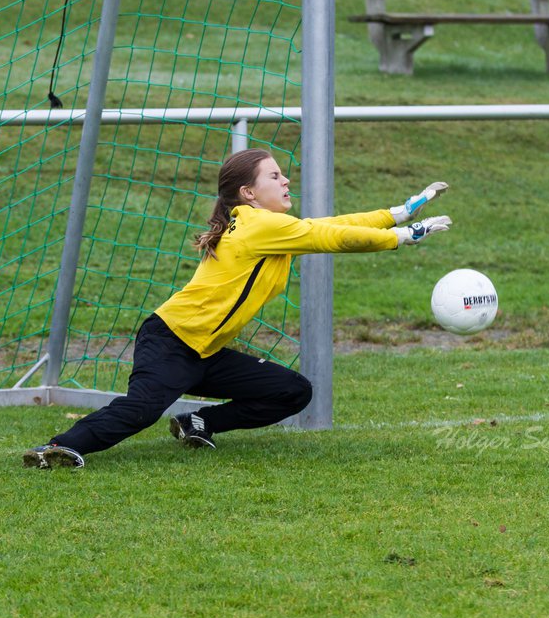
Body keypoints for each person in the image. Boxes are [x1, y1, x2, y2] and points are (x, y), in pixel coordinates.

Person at [23, 148, 451, 469]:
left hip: (205, 351)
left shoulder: (271, 226)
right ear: (249, 193)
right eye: (275, 176)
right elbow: (334, 239)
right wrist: (404, 235)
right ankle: (59, 446)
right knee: (141, 410)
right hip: (171, 341)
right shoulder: (258, 223)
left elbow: (328, 227)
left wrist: (399, 212)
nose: (286, 182)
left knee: (292, 390)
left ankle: (199, 423)